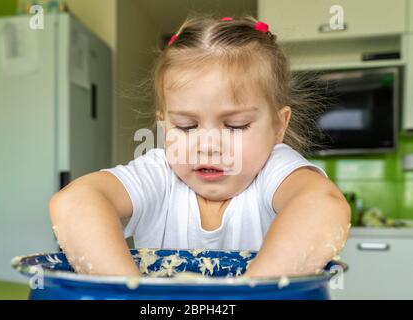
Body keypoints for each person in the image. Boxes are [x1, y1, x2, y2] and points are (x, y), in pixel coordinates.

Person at [49, 15, 351, 278]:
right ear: (165, 126)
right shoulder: (160, 172)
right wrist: (131, 293)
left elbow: (324, 207)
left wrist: (251, 293)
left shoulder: (274, 169)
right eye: (186, 127)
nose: (207, 146)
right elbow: (74, 203)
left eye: (235, 126)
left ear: (278, 126)